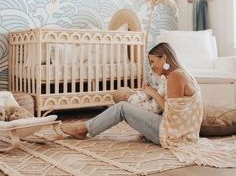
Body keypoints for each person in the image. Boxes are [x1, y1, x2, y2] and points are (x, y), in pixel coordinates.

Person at [61, 42, 203, 146]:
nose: (152, 66)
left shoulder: (176, 76)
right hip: (176, 131)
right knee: (127, 105)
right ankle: (85, 127)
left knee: (122, 107)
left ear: (164, 58)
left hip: (173, 135)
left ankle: (82, 129)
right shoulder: (177, 75)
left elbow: (171, 112)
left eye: (153, 61)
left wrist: (152, 93)